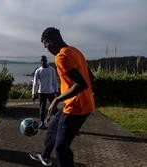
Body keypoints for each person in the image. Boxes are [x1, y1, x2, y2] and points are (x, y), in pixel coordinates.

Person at [29, 27, 95, 167]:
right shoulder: (75, 51)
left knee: (61, 148)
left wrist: (56, 100)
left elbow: (81, 84)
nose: (46, 49)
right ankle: (45, 156)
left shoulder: (61, 57)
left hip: (77, 108)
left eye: (45, 45)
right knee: (52, 129)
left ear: (51, 41)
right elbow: (91, 77)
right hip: (78, 103)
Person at [32, 55, 58, 129]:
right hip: (42, 92)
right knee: (42, 108)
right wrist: (34, 93)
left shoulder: (52, 70)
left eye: (44, 60)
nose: (43, 61)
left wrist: (56, 91)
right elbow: (35, 83)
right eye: (42, 60)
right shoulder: (38, 70)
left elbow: (54, 81)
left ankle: (58, 122)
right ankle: (42, 123)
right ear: (40, 61)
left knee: (54, 108)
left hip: (51, 92)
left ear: (47, 60)